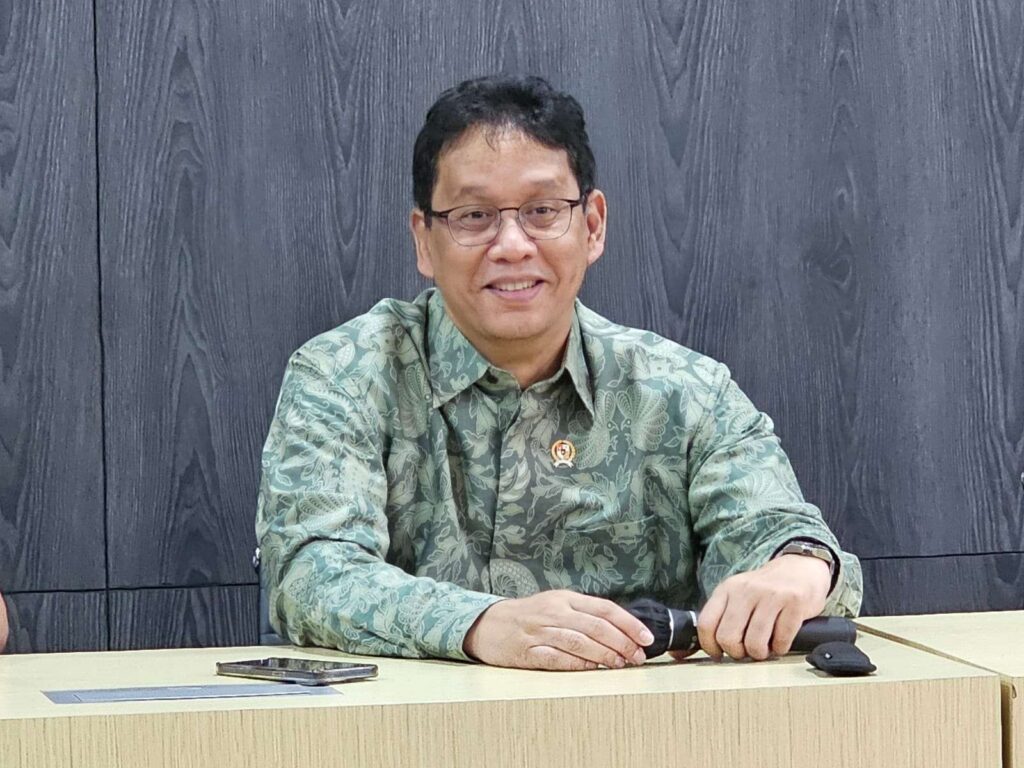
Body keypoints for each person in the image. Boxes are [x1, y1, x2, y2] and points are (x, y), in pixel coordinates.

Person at [256, 75, 862, 671]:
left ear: (592, 226)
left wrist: (797, 568)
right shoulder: (345, 376)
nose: (512, 245)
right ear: (425, 240)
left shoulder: (685, 392)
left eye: (543, 211)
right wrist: (481, 624)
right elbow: (310, 575)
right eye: (474, 216)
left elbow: (777, 530)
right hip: (412, 725)